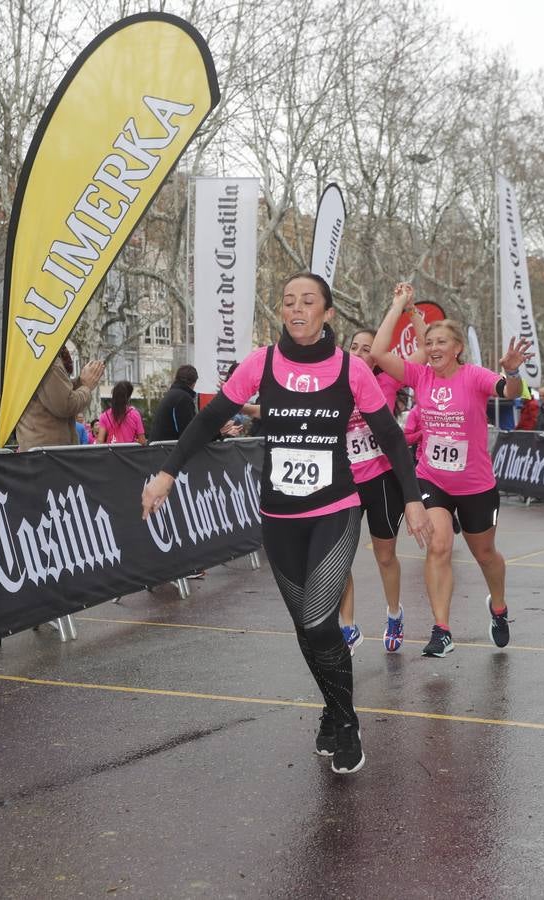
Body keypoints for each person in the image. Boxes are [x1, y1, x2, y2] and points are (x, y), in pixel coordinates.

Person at [141, 272, 431, 775]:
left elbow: (389, 435)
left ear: (328, 314)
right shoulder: (262, 363)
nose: (297, 309)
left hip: (335, 511)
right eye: (289, 301)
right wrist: (167, 473)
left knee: (321, 622)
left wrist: (412, 500)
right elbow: (208, 421)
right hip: (279, 516)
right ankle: (331, 708)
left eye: (308, 301)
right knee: (305, 628)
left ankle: (346, 722)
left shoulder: (351, 369)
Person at [371, 291, 534, 659]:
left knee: (486, 554)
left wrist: (510, 370)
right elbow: (380, 355)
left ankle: (499, 607)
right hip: (432, 478)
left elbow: (508, 392)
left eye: (441, 342)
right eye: (428, 342)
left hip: (476, 485)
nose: (432, 348)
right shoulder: (419, 375)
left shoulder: (474, 376)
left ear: (458, 347)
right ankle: (441, 629)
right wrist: (397, 306)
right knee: (439, 546)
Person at [336, 284, 426, 654]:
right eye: (353, 347)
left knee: (385, 555)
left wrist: (412, 309)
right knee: (338, 557)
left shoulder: (387, 379)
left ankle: (393, 613)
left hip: (381, 480)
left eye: (365, 349)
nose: (358, 353)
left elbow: (426, 350)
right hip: (344, 483)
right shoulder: (333, 382)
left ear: (375, 357)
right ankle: (348, 626)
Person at [15, 345, 104, 450]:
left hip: (42, 450)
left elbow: (59, 392)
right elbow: (66, 404)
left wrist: (81, 381)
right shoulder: (48, 362)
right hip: (50, 453)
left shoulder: (30, 356)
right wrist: (86, 386)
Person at [149, 365, 200, 443]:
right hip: (167, 450)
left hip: (158, 449)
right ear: (194, 382)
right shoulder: (183, 398)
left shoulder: (171, 394)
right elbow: (188, 433)